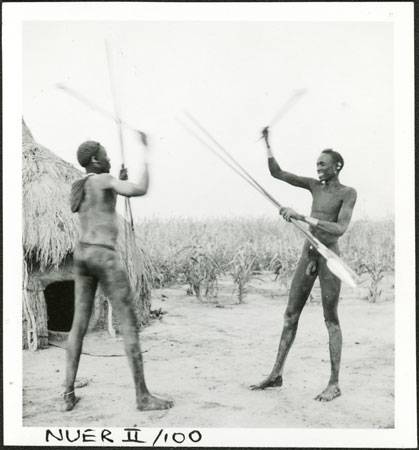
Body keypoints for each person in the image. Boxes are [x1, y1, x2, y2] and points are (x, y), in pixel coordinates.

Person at [63, 132, 173, 411]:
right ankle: (143, 397)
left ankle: (67, 393)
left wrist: (117, 181)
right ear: (95, 160)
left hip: (83, 254)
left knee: (78, 325)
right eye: (106, 155)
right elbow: (140, 189)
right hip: (104, 256)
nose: (109, 157)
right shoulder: (105, 179)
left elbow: (105, 199)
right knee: (129, 323)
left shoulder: (82, 184)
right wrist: (146, 155)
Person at [251, 127, 357, 401]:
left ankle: (334, 384)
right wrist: (268, 144)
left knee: (330, 319)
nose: (319, 168)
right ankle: (276, 374)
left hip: (329, 258)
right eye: (317, 164)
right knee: (290, 316)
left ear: (337, 166)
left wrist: (300, 217)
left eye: (323, 164)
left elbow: (340, 228)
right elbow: (278, 173)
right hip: (308, 255)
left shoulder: (347, 192)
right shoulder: (313, 185)